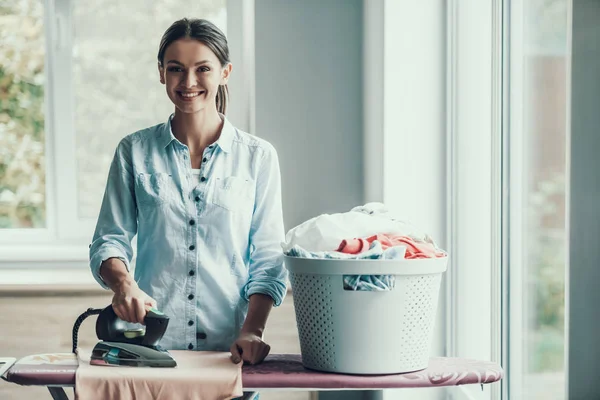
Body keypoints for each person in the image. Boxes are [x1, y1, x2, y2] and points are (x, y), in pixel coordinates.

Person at [88, 17, 288, 377]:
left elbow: (269, 257)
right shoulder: (132, 152)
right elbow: (108, 241)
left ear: (225, 73)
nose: (189, 82)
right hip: (149, 352)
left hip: (230, 354)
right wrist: (124, 284)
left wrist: (253, 331)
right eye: (176, 69)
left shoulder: (258, 157)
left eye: (203, 69)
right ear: (161, 73)